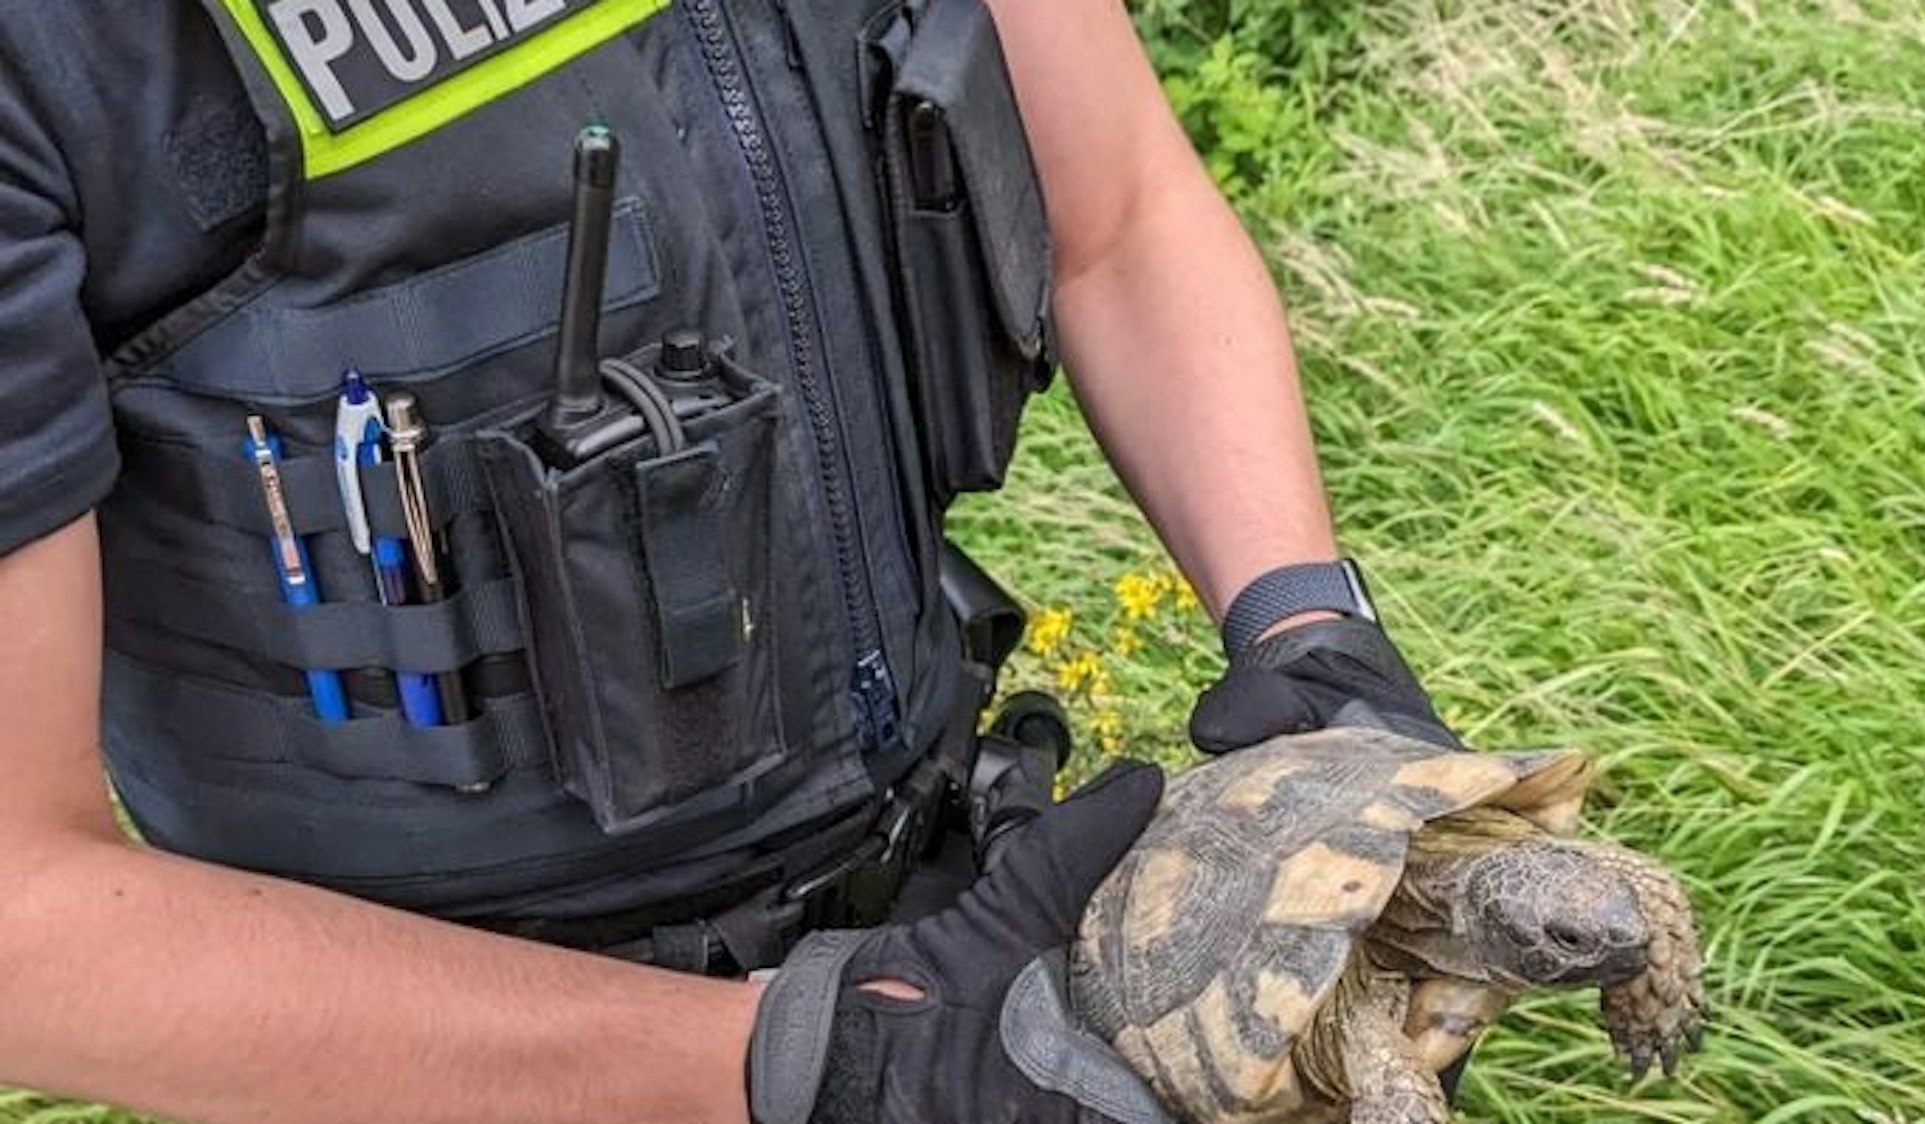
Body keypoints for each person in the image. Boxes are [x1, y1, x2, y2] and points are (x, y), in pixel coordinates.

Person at [0, 1, 1459, 1122]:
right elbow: (28, 921)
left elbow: (1121, 220)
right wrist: (800, 1065)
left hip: (973, 924)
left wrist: (1300, 624)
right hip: (471, 1060)